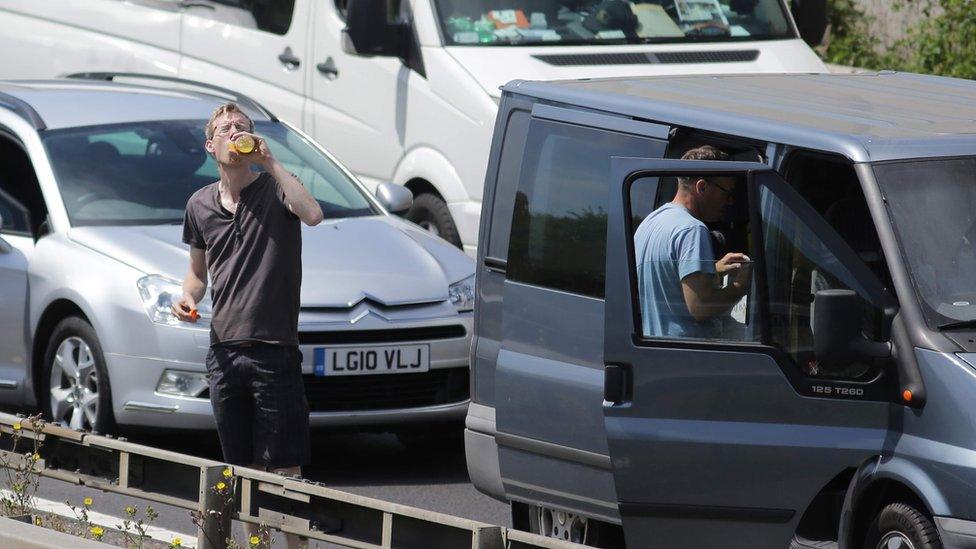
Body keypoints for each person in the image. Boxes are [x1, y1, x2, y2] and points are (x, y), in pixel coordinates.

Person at [172, 103, 324, 547]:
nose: (235, 132)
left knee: (287, 469)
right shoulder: (199, 205)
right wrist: (187, 297)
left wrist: (271, 162)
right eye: (226, 128)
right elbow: (197, 274)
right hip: (224, 352)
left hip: (274, 349)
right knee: (243, 470)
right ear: (211, 145)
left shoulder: (277, 190)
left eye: (242, 127)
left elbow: (312, 215)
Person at [634, 145, 751, 338]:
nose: (730, 202)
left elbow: (666, 281)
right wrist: (740, 286)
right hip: (688, 358)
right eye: (727, 193)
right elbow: (701, 308)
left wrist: (711, 269)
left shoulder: (650, 222)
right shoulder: (693, 229)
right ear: (702, 187)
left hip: (658, 351)